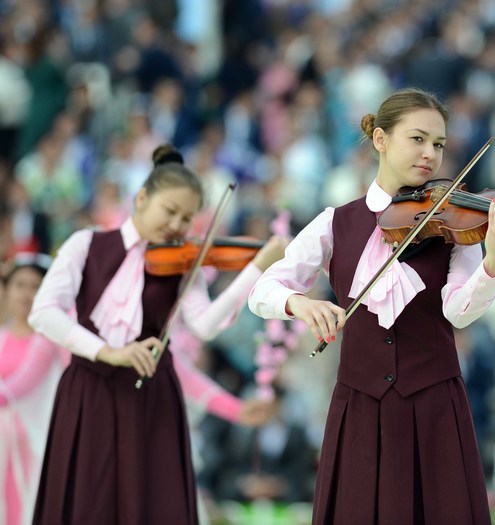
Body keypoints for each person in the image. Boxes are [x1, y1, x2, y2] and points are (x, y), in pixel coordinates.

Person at [248, 87, 495, 524]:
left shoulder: (454, 223)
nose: (430, 154)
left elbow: (459, 312)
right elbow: (263, 290)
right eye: (417, 139)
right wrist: (299, 304)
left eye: (439, 144)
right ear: (380, 139)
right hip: (361, 405)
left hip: (434, 405)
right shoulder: (335, 222)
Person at [28, 144, 288, 525]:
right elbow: (43, 313)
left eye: (187, 218)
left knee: (152, 505)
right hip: (89, 392)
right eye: (170, 211)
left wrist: (255, 269)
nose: (177, 225)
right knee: (88, 503)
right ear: (142, 198)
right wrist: (109, 352)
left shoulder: (182, 264)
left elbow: (204, 324)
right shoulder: (84, 245)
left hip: (152, 397)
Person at [0, 254, 67, 525]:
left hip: (34, 444)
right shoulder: (2, 337)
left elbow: (22, 384)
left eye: (35, 286)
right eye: (19, 285)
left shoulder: (48, 340)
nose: (26, 294)